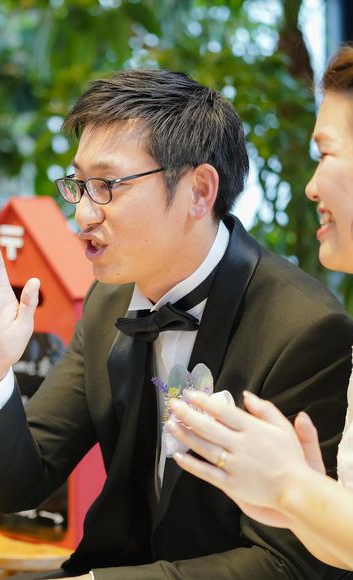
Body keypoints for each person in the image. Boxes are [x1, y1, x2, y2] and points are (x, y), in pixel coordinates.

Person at [0, 69, 353, 579]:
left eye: (106, 186)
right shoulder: (108, 300)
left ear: (199, 192)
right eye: (79, 185)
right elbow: (20, 486)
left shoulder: (304, 328)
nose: (84, 214)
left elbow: (287, 561)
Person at [167, 46, 353, 572]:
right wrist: (299, 500)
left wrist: (291, 486)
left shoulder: (302, 320)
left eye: (326, 153)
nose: (311, 186)